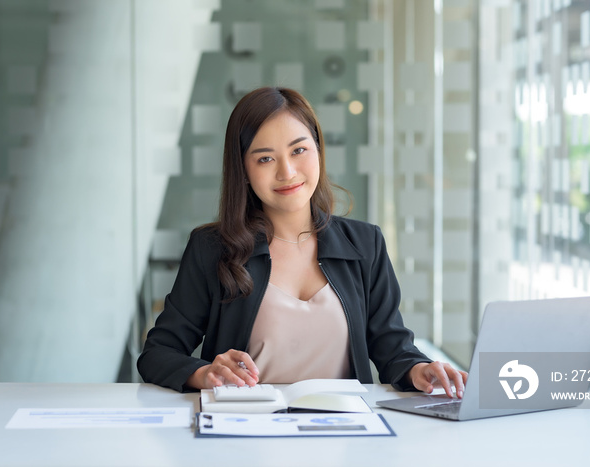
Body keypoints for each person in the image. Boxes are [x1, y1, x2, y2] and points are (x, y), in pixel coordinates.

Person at [137, 87, 468, 397]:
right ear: (244, 170)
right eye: (265, 158)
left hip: (345, 437)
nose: (287, 172)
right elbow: (158, 354)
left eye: (299, 150)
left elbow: (392, 346)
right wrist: (205, 373)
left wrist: (419, 369)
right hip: (246, 436)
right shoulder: (212, 249)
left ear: (319, 151)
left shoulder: (366, 244)